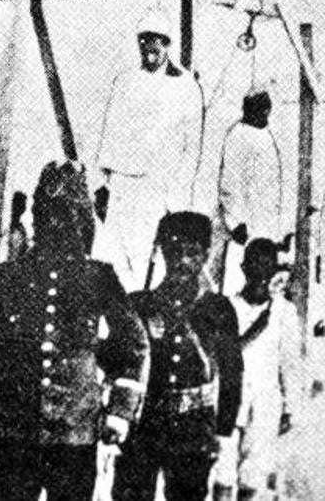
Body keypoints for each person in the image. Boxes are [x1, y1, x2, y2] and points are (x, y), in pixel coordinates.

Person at [0, 160, 149, 501]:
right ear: (36, 218)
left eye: (67, 216)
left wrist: (120, 413)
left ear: (82, 220)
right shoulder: (7, 277)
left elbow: (134, 345)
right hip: (13, 429)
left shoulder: (99, 278)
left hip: (75, 430)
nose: (57, 225)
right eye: (48, 215)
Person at [113, 211, 243, 501]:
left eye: (192, 253)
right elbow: (118, 362)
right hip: (144, 421)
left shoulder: (218, 309)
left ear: (206, 255)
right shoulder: (139, 304)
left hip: (193, 426)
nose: (182, 260)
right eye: (174, 251)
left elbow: (232, 374)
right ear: (162, 252)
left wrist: (223, 432)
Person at [95, 8, 204, 286]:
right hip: (122, 187)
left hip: (157, 190)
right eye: (144, 40)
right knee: (111, 260)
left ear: (167, 44)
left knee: (147, 264)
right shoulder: (125, 81)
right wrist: (104, 184)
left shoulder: (186, 87)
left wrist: (176, 200)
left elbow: (192, 150)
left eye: (157, 40)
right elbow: (110, 132)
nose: (150, 46)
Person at [214, 239, 306, 501]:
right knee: (222, 471)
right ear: (244, 267)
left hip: (265, 404)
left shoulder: (284, 311)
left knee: (253, 475)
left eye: (267, 267)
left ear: (274, 271)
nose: (260, 273)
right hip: (228, 401)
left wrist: (290, 408)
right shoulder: (227, 307)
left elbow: (289, 362)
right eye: (255, 265)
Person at [214, 87, 285, 294]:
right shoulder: (237, 135)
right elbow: (229, 183)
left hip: (265, 223)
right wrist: (235, 222)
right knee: (237, 282)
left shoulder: (266, 135)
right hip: (243, 228)